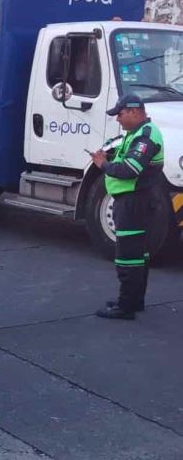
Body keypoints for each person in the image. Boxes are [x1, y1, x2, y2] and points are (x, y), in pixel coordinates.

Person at [91, 94, 164, 320]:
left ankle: (125, 307)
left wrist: (103, 164)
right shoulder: (136, 134)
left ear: (134, 111)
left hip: (134, 202)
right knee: (137, 254)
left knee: (128, 256)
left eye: (120, 114)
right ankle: (134, 300)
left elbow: (129, 170)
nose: (118, 120)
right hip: (134, 201)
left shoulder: (146, 136)